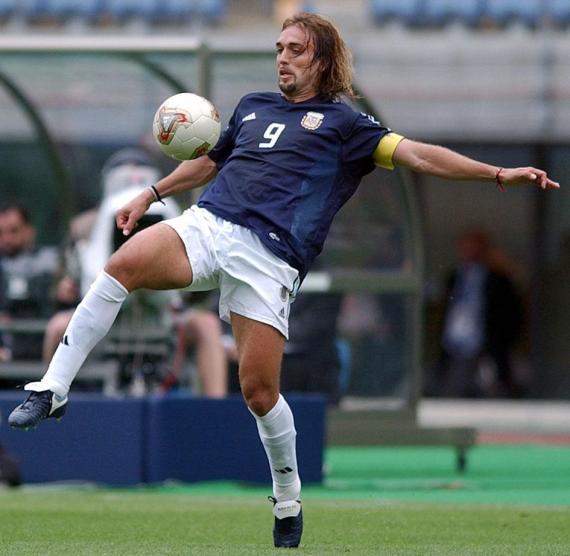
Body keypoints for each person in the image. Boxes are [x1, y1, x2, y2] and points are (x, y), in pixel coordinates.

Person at [8, 12, 559, 548]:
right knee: (122, 265)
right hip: (210, 225)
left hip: (270, 259)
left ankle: (288, 499)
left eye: (296, 50)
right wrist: (150, 194)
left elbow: (418, 155)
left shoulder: (346, 125)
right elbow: (210, 162)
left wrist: (494, 173)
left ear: (323, 60)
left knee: (259, 391)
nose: (283, 59)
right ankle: (53, 389)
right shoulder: (252, 107)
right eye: (278, 49)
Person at [41, 148, 228, 396]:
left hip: (164, 313)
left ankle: (215, 405)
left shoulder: (179, 217)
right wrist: (65, 288)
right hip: (104, 308)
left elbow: (197, 280)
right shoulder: (83, 226)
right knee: (57, 327)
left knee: (207, 325)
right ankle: (49, 396)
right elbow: (65, 279)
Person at [437, 229, 525, 398]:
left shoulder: (498, 278)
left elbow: (515, 306)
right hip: (456, 344)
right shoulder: (454, 276)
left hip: (487, 344)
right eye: (466, 248)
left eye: (475, 248)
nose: (470, 253)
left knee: (493, 395)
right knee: (453, 393)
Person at [0, 204, 59, 363]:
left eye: (14, 231)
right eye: (1, 233)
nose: (6, 239)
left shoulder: (50, 263)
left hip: (43, 349)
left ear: (29, 231)